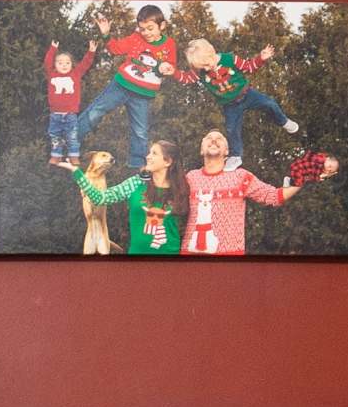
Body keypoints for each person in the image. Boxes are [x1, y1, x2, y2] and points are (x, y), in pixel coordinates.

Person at [76, 5, 179, 176]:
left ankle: (139, 169)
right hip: (121, 85)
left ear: (162, 26)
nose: (146, 33)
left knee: (140, 131)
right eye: (142, 29)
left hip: (143, 94)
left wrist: (167, 68)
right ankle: (71, 139)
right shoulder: (136, 38)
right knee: (96, 110)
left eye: (150, 28)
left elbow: (172, 66)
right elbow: (115, 49)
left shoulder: (169, 45)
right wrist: (106, 34)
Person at [173, 38, 298, 163]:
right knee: (231, 130)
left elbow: (248, 67)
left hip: (247, 94)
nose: (206, 69)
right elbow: (187, 78)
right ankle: (236, 156)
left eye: (206, 64)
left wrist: (261, 58)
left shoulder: (230, 59)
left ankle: (283, 121)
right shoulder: (200, 71)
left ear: (211, 52)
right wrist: (174, 72)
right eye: (202, 67)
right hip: (230, 105)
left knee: (269, 103)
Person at [182, 128, 295, 256]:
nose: (213, 140)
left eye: (219, 138)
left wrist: (303, 180)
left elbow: (274, 196)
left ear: (227, 151)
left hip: (229, 259)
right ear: (201, 150)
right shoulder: (190, 178)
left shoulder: (241, 177)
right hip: (190, 258)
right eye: (209, 138)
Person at [74, 138, 187, 256]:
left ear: (167, 161)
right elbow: (100, 198)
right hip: (137, 258)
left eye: (154, 153)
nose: (148, 157)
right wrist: (76, 172)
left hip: (169, 259)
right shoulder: (136, 183)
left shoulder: (181, 188)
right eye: (149, 153)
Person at [41, 35, 97, 167]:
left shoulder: (75, 74)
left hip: (70, 114)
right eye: (60, 63)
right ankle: (56, 156)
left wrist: (91, 52)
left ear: (72, 65)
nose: (64, 65)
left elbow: (85, 64)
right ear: (55, 65)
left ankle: (73, 156)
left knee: (72, 136)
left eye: (67, 63)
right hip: (55, 114)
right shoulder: (52, 74)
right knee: (55, 136)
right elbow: (47, 62)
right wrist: (53, 49)